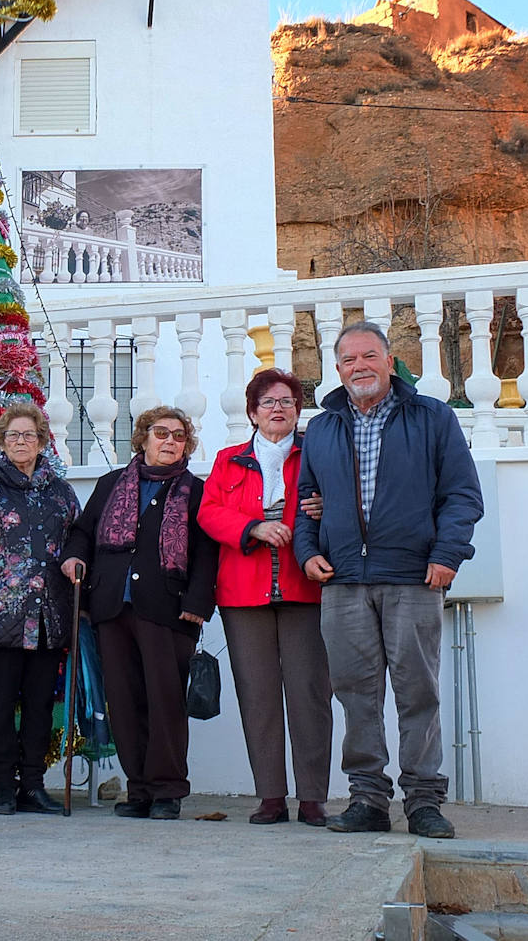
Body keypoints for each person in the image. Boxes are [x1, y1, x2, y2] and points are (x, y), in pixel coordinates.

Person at [295, 321, 483, 839]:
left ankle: (423, 801)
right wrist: (307, 551)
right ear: (337, 369)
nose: (360, 366)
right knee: (355, 695)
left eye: (369, 356)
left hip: (412, 578)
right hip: (343, 582)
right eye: (349, 359)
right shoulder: (323, 429)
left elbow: (462, 495)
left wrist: (448, 554)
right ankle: (368, 800)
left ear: (388, 359)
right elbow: (306, 501)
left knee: (417, 692)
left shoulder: (431, 417)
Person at [61, 405, 217, 822]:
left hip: (168, 611)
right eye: (161, 433)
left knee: (164, 702)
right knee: (123, 702)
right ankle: (139, 789)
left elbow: (206, 553)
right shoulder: (113, 484)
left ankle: (167, 790)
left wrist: (198, 605)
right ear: (143, 438)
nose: (170, 442)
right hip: (111, 608)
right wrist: (73, 559)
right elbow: (82, 532)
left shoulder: (195, 491)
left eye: (179, 436)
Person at [198, 370, 332, 827]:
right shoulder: (227, 459)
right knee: (257, 697)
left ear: (298, 410)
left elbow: (340, 499)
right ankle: (270, 796)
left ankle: (313, 796)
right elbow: (209, 513)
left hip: (304, 589)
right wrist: (252, 527)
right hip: (242, 595)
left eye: (288, 402)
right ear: (253, 413)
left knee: (310, 695)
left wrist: (323, 506)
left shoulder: (315, 454)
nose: (279, 409)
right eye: (269, 402)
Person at [0, 402, 79, 816]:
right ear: (2, 441)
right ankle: (3, 790)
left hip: (49, 616)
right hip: (1, 617)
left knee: (40, 707)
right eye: (13, 435)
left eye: (29, 435)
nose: (21, 442)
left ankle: (33, 784)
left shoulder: (61, 491)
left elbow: (76, 541)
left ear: (42, 440)